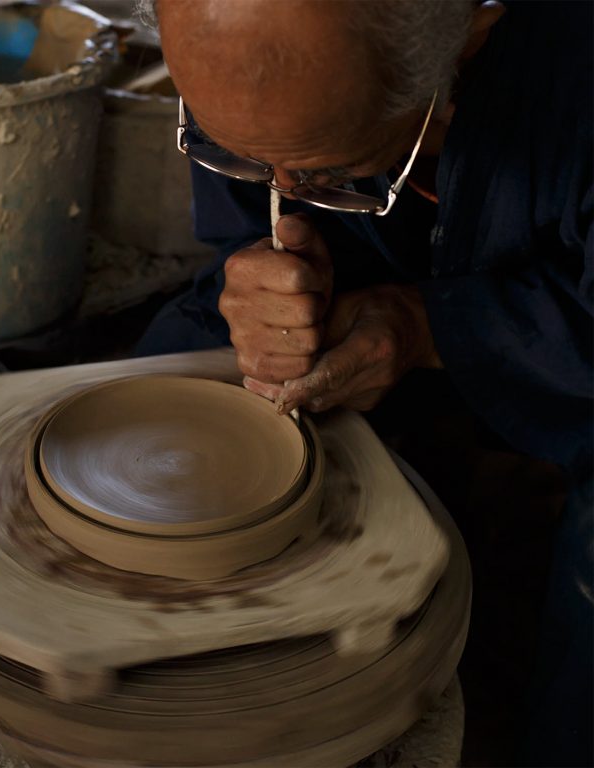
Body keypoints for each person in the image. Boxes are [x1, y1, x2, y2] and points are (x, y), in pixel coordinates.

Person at [134, 1, 592, 765]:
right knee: (167, 377)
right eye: (236, 150)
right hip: (373, 263)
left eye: (321, 172)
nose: (281, 184)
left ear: (470, 35)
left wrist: (427, 329)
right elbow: (248, 216)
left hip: (558, 323)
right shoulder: (241, 61)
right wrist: (262, 283)